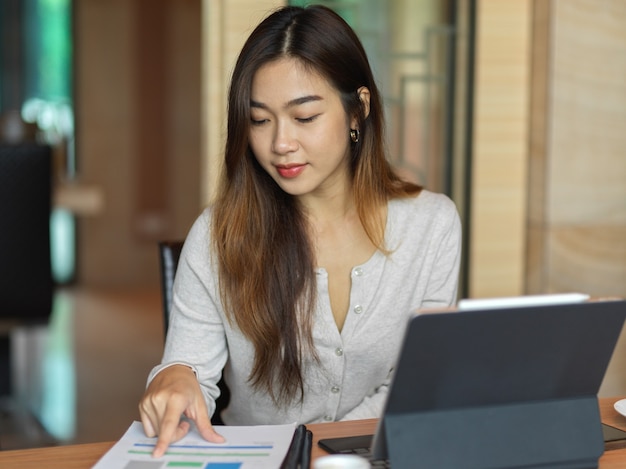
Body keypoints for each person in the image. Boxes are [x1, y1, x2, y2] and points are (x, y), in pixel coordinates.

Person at [139, 4, 461, 458]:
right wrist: (175, 378)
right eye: (259, 119)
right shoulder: (219, 235)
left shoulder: (432, 226)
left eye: (304, 116)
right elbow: (188, 368)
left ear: (358, 110)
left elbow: (416, 382)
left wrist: (326, 455)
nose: (280, 144)